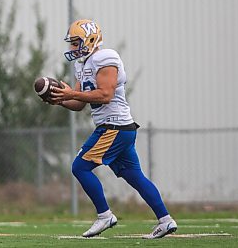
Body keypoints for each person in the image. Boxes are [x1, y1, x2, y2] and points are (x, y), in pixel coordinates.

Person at [50, 19, 177, 239]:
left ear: (91, 39)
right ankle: (166, 220)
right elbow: (79, 104)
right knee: (134, 176)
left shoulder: (105, 57)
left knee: (79, 167)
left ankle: (105, 215)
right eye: (71, 43)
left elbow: (105, 95)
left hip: (114, 126)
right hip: (117, 128)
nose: (72, 48)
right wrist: (62, 99)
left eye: (76, 42)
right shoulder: (82, 64)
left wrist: (72, 93)